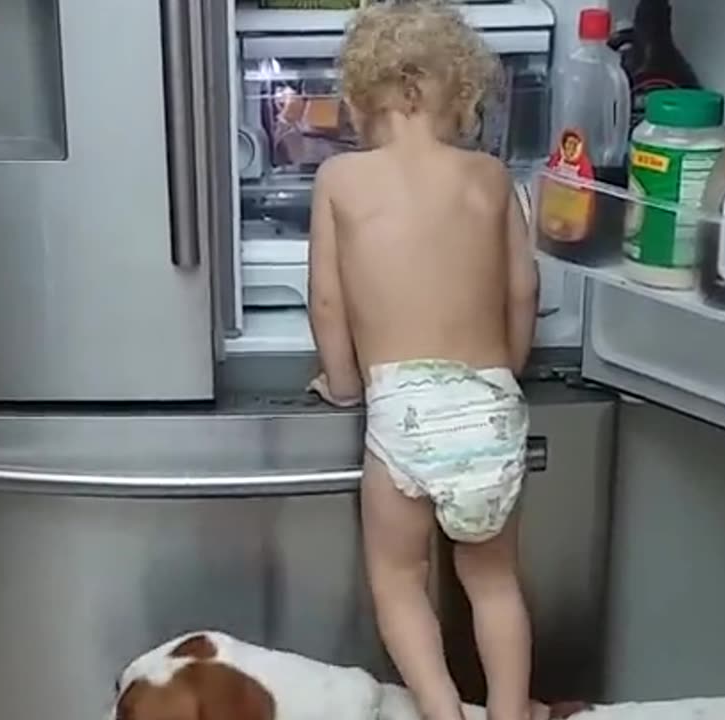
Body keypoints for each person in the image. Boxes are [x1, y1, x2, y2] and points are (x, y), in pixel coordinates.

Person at [304, 3, 541, 720]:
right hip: (491, 403)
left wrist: (343, 385)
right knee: (495, 582)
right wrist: (509, 371)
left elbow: (326, 301)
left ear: (359, 96)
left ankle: (441, 711)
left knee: (399, 579)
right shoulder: (492, 178)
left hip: (404, 410)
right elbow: (522, 289)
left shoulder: (341, 181)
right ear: (461, 93)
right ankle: (507, 711)